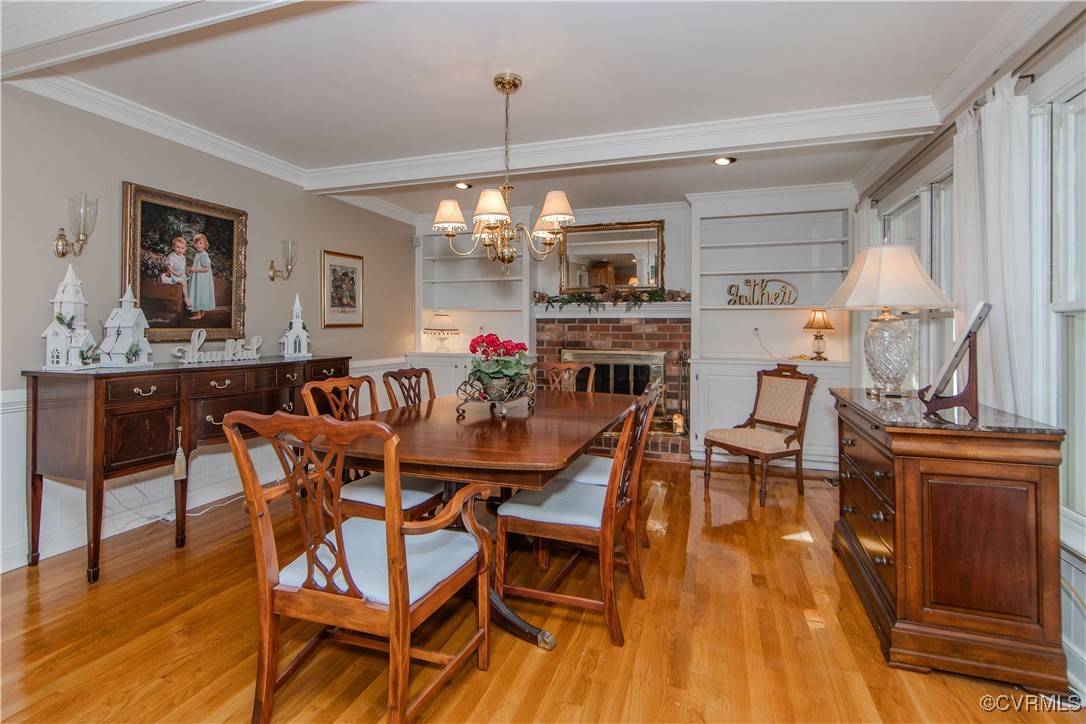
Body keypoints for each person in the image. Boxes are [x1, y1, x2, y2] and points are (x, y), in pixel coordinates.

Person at [187, 233, 215, 320]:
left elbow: (206, 268)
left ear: (205, 244)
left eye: (201, 243)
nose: (198, 245)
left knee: (199, 293)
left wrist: (194, 270)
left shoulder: (204, 255)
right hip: (198, 278)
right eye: (196, 243)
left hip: (202, 279)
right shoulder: (198, 254)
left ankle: (198, 314)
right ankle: (202, 312)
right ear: (194, 244)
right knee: (200, 294)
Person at [160, 237, 191, 308]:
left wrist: (187, 273)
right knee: (184, 283)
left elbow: (182, 267)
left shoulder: (183, 257)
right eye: (178, 247)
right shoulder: (172, 256)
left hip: (181, 274)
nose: (180, 249)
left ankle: (190, 298)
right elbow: (168, 266)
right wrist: (174, 273)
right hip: (173, 275)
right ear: (173, 247)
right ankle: (186, 298)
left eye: (182, 248)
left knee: (191, 280)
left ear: (185, 249)